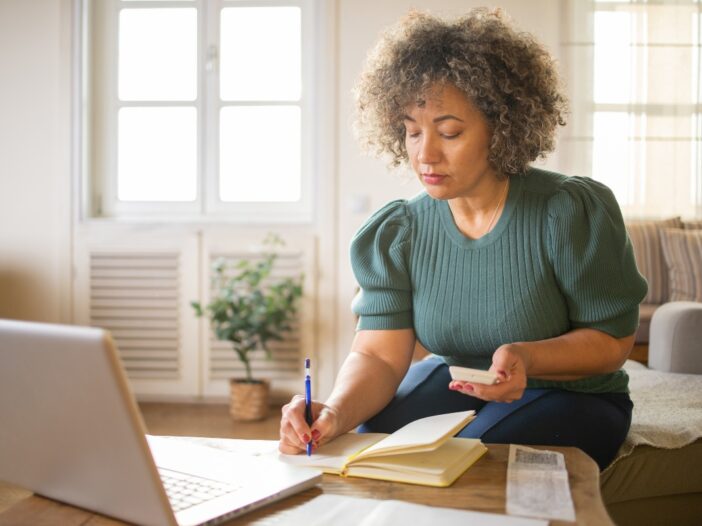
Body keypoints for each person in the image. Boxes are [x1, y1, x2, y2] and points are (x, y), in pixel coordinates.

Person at [279, 8, 647, 470]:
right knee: (370, 437)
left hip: (573, 394)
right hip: (459, 380)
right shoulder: (400, 231)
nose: (426, 154)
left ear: (501, 127)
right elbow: (377, 354)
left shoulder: (567, 211)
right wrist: (332, 413)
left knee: (473, 458)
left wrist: (526, 358)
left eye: (449, 132)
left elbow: (613, 340)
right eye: (413, 132)